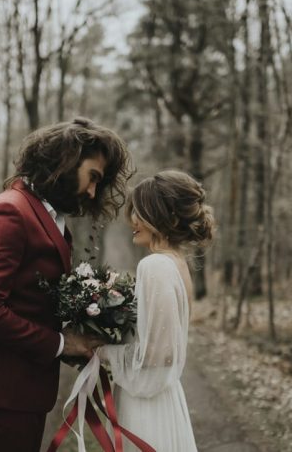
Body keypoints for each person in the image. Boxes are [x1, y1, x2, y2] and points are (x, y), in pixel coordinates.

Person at [0, 117, 132, 452]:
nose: (93, 192)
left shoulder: (47, 217)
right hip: (0, 394)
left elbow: (30, 304)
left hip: (24, 393)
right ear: (66, 160)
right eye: (92, 177)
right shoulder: (9, 212)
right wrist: (61, 343)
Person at [97, 169, 214, 452]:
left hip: (147, 408)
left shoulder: (155, 266)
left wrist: (100, 350)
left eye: (141, 212)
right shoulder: (177, 263)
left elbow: (158, 355)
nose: (132, 220)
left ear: (168, 219)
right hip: (167, 401)